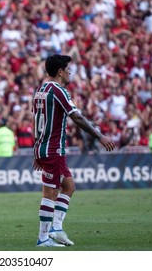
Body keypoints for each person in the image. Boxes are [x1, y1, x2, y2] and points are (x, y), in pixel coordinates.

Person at [32, 54, 115, 247]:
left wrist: (36, 150)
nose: (70, 74)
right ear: (60, 72)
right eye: (69, 70)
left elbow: (35, 122)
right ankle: (43, 238)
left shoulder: (40, 90)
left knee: (68, 186)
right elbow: (76, 117)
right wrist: (99, 136)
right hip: (53, 149)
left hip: (44, 148)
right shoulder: (58, 90)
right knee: (50, 192)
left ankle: (56, 228)